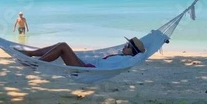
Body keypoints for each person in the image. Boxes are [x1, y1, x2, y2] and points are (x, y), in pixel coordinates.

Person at [15, 37, 145, 67]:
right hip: (86, 66)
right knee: (60, 45)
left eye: (127, 45)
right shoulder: (122, 55)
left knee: (63, 46)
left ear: (132, 51)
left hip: (86, 71)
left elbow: (103, 68)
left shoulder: (125, 60)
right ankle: (30, 54)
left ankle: (35, 64)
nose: (124, 46)